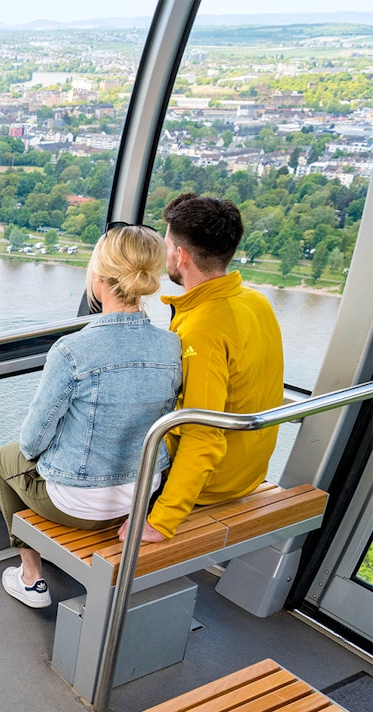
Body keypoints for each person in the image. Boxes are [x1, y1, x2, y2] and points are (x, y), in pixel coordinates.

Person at [0, 224, 182, 608]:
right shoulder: (171, 345)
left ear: (99, 279)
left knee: (5, 457)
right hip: (141, 495)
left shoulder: (72, 350)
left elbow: (32, 441)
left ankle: (31, 576)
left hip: (75, 505)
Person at [119, 193, 285, 543]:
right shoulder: (255, 301)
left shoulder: (203, 329)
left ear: (181, 256)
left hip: (215, 484)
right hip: (248, 471)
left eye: (167, 245)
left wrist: (160, 520)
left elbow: (202, 436)